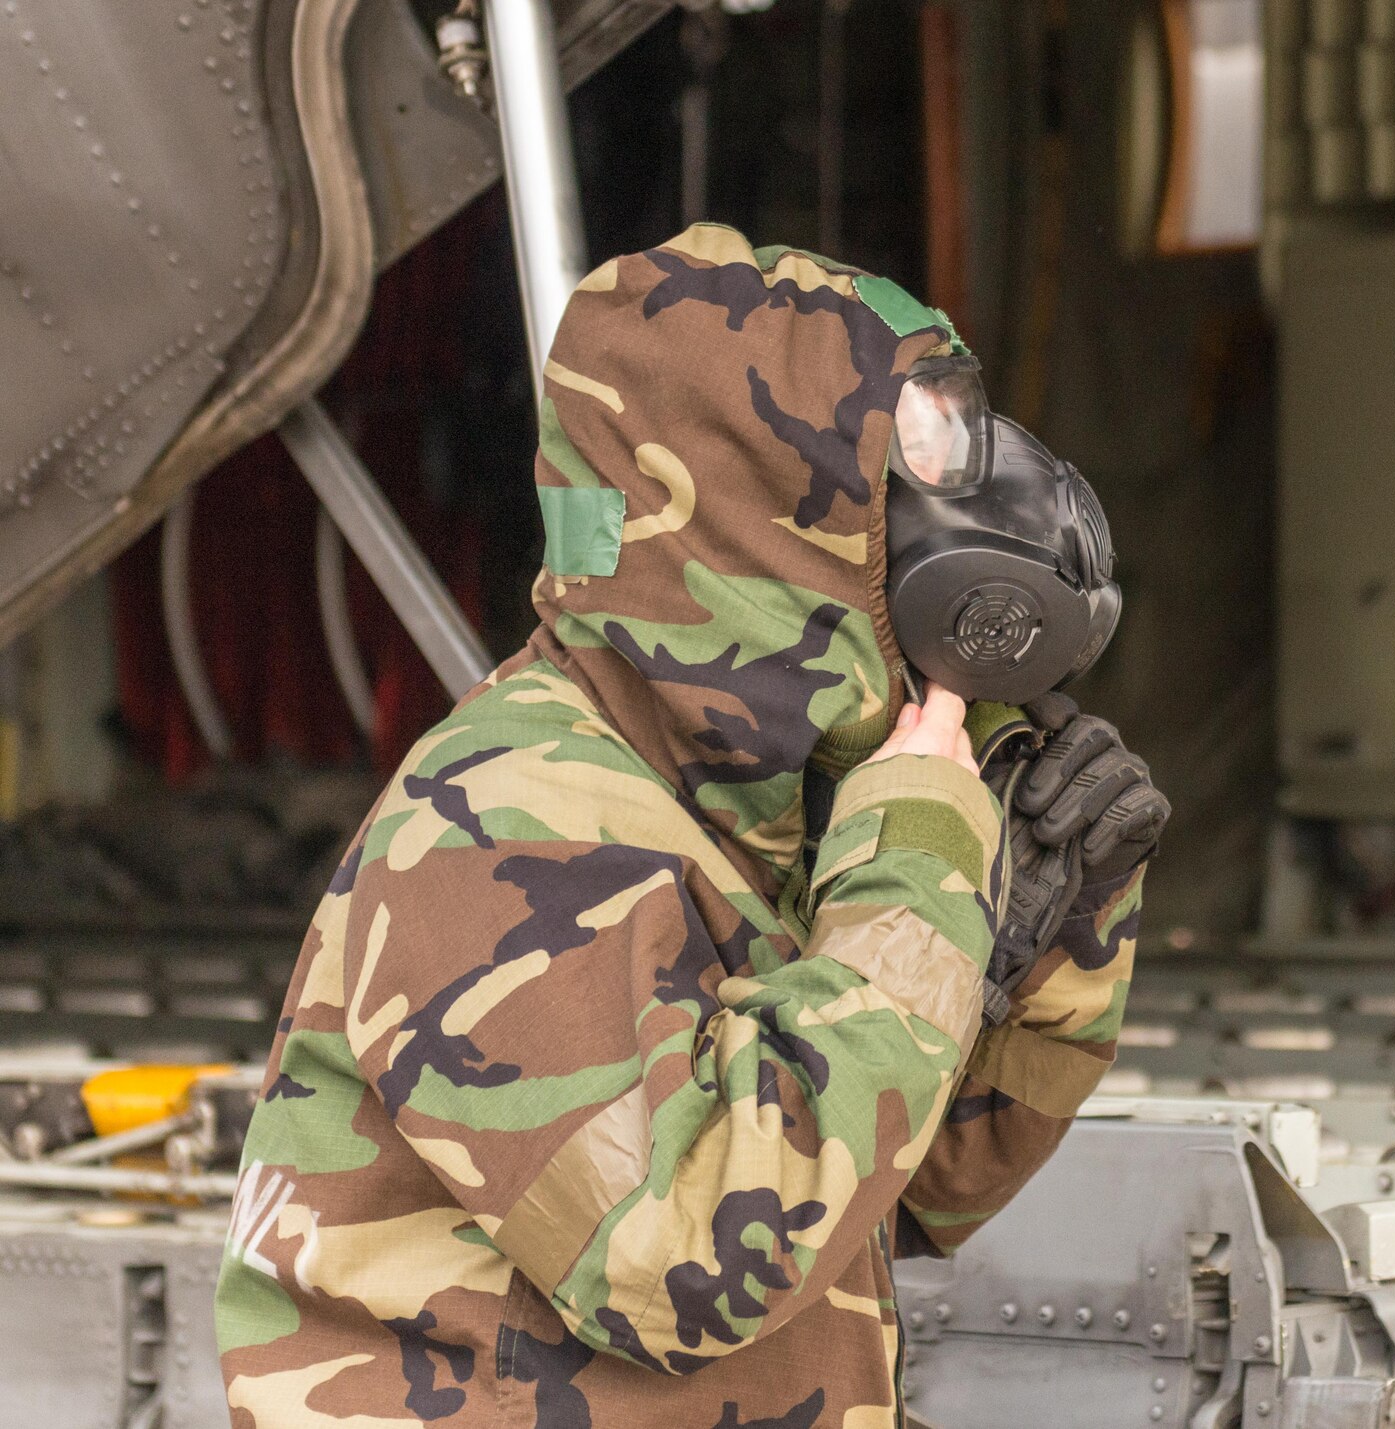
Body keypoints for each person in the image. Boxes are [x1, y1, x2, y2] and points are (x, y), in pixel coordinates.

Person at [213, 224, 1168, 1428]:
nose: (957, 509)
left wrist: (1045, 944)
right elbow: (684, 1266)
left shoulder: (751, 804)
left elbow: (915, 1195)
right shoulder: (506, 826)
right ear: (750, 517)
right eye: (903, 469)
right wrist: (916, 879)